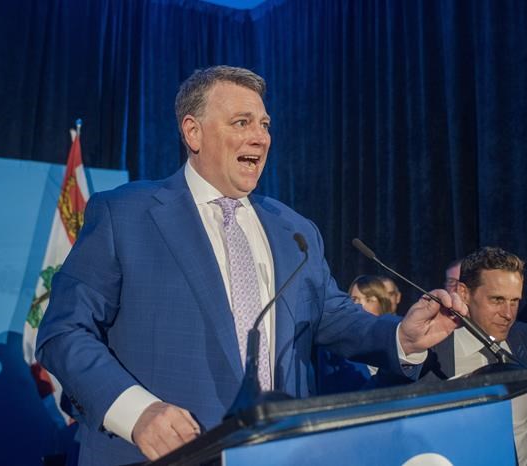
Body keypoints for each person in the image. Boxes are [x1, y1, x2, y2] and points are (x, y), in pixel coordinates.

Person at [35, 66, 467, 465]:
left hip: (281, 453)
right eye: (242, 123)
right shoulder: (125, 214)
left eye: (264, 124)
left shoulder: (294, 228)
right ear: (193, 132)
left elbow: (333, 316)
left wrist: (400, 336)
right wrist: (137, 412)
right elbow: (63, 332)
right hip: (161, 455)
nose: (261, 138)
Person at [418, 247, 527, 466]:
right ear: (463, 293)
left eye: (514, 301)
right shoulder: (429, 354)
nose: (508, 314)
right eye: (497, 300)